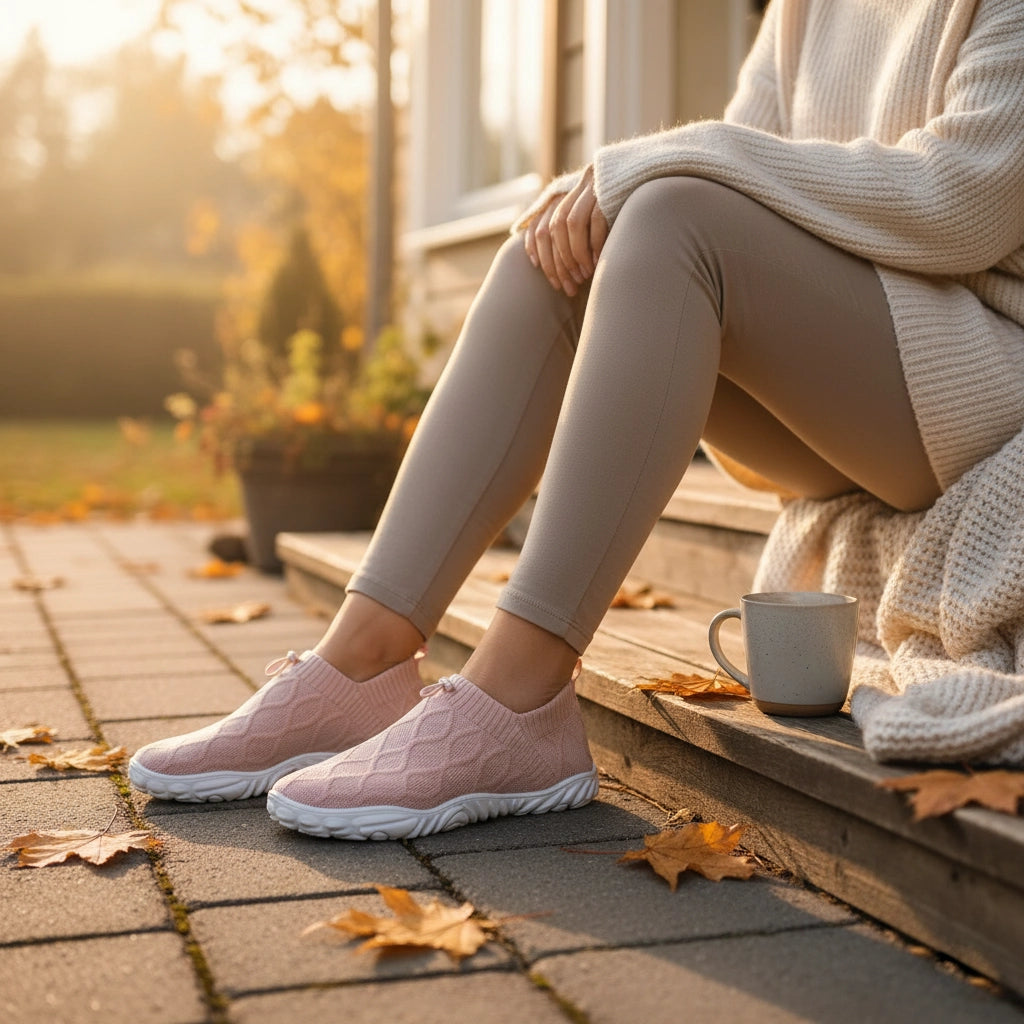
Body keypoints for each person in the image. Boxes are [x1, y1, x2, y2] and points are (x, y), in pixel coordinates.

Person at [129, 0, 1024, 838]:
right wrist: (607, 190)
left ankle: (518, 700)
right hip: (842, 399)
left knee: (673, 213)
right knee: (557, 246)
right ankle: (360, 659)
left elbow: (964, 199)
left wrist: (651, 168)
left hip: (979, 376)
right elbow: (745, 154)